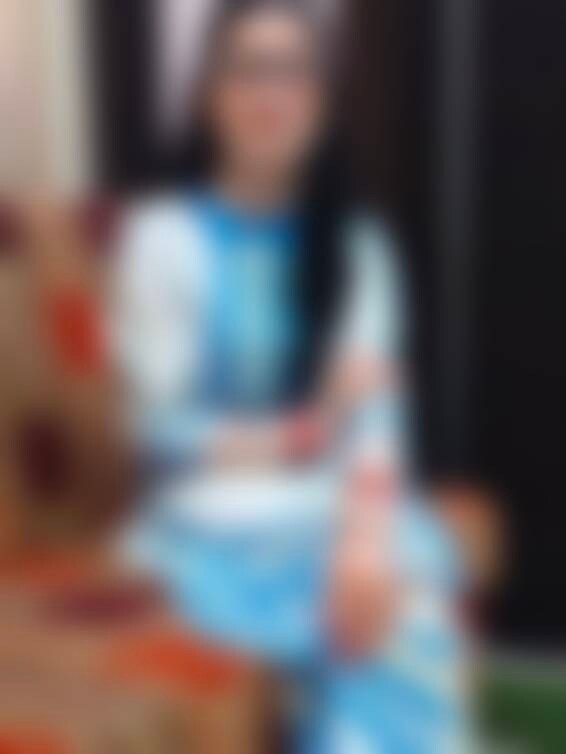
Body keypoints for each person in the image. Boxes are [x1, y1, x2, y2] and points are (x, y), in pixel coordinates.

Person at [113, 1, 471, 751]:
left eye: (293, 71)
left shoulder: (359, 247)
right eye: (248, 68)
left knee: (400, 575)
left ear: (321, 101)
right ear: (210, 95)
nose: (270, 92)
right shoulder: (160, 241)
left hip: (329, 508)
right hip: (206, 524)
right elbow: (157, 432)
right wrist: (302, 431)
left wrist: (365, 540)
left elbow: (373, 412)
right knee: (375, 604)